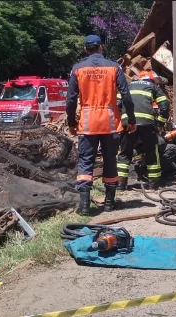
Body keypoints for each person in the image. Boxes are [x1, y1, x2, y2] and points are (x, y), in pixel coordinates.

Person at [66, 35, 137, 216]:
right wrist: (131, 120)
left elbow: (71, 100)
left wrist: (71, 122)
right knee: (110, 160)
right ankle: (109, 204)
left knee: (86, 162)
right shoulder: (114, 67)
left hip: (88, 123)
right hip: (110, 123)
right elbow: (126, 96)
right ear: (101, 47)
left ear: (85, 49)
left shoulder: (78, 69)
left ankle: (84, 207)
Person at [117, 71, 170, 191]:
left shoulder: (127, 86)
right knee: (152, 152)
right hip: (147, 125)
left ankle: (121, 185)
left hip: (128, 124)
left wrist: (123, 119)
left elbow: (117, 104)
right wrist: (160, 124)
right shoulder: (152, 87)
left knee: (125, 153)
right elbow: (165, 106)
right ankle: (153, 185)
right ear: (150, 80)